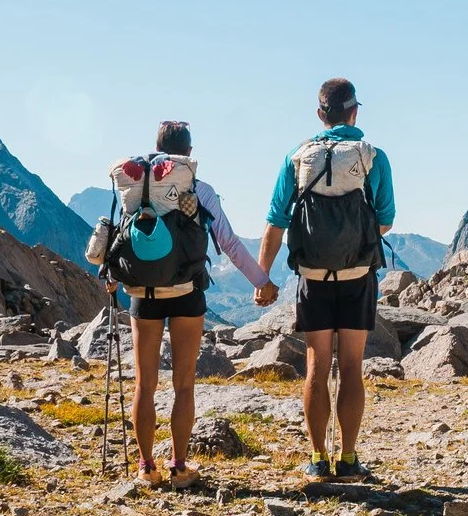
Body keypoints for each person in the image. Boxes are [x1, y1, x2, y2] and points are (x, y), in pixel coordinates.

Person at [106, 121, 275, 489]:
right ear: (189, 153)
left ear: (157, 149)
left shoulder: (135, 190)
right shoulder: (200, 189)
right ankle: (179, 467)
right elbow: (228, 242)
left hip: (143, 295)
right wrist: (262, 282)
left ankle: (146, 467)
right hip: (187, 291)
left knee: (144, 384)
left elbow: (121, 238)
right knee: (184, 385)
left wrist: (113, 277)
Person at [258, 78, 395, 481]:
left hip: (313, 277)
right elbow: (385, 220)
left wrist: (262, 277)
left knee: (317, 365)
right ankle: (349, 459)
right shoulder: (372, 156)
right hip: (357, 274)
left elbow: (275, 223)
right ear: (355, 112)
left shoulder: (298, 157)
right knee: (352, 367)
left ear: (321, 114)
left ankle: (318, 459)